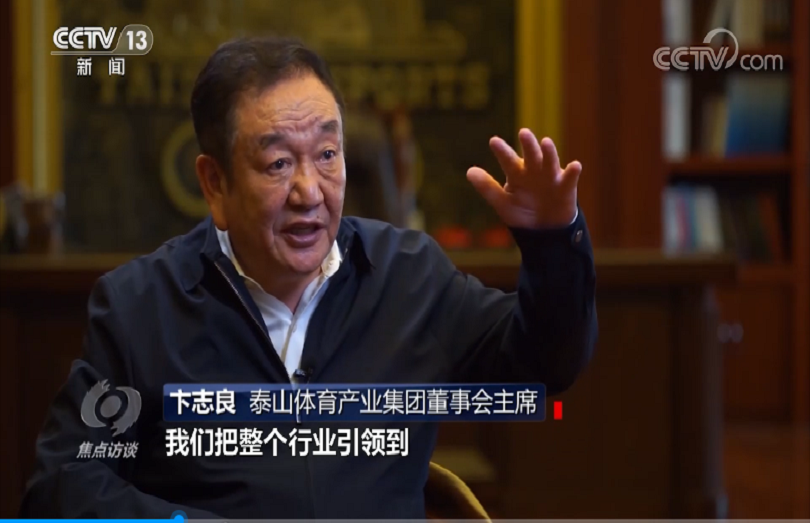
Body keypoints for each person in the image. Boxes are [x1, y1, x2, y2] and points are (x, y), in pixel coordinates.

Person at [19, 37, 597, 519]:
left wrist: (553, 240)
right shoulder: (142, 308)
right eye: (277, 163)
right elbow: (64, 485)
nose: (309, 192)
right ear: (215, 184)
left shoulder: (408, 278)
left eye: (327, 154)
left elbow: (544, 365)